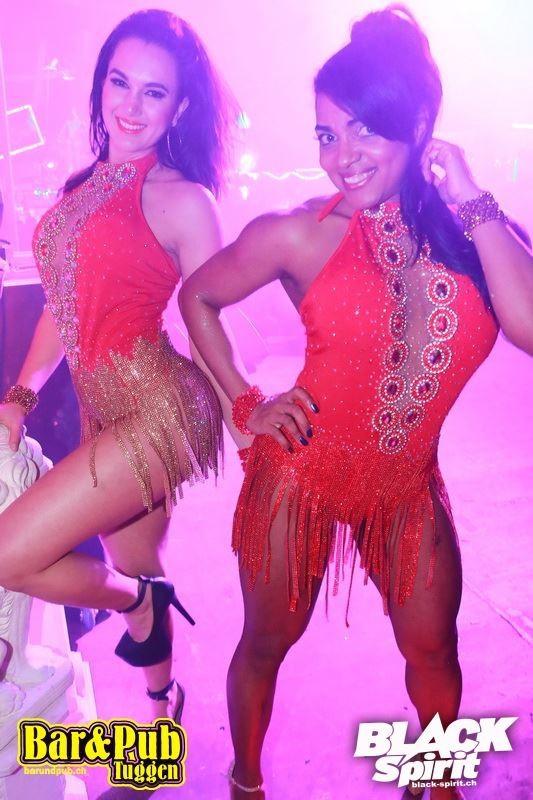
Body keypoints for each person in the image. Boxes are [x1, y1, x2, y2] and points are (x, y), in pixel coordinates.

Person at [179, 6, 533, 799]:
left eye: (363, 130)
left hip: (404, 488)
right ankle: (245, 782)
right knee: (265, 644)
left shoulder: (474, 232)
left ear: (416, 123)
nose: (342, 156)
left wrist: (471, 197)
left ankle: (432, 783)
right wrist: (245, 402)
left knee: (433, 650)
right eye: (325, 134)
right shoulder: (299, 233)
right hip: (298, 475)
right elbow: (197, 296)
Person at [0, 8, 234, 722]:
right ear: (101, 85)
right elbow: (61, 310)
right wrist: (19, 398)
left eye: (153, 92)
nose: (130, 105)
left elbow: (210, 327)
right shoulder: (81, 188)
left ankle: (140, 606)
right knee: (135, 562)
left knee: (10, 555)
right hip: (102, 409)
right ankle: (164, 706)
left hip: (163, 411)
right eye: (119, 82)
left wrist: (253, 438)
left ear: (180, 107)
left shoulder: (185, 201)